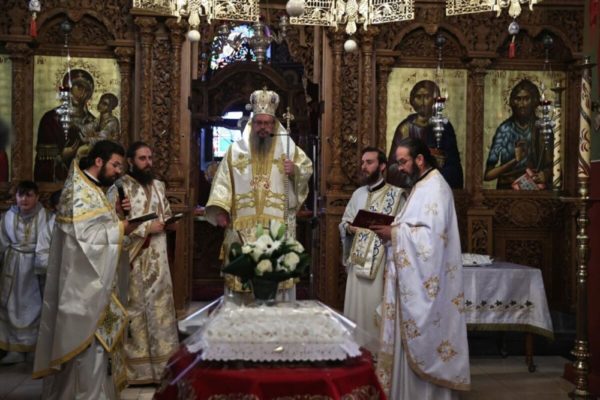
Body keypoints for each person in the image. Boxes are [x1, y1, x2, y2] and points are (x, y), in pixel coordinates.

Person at [33, 140, 140, 399]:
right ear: (98, 161)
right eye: (115, 165)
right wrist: (121, 228)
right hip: (82, 291)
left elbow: (98, 231)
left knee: (99, 351)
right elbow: (86, 241)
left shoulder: (94, 190)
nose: (118, 172)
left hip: (98, 286)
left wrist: (118, 216)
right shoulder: (80, 194)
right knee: (86, 352)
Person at [371, 137, 470, 399]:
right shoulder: (422, 185)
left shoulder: (435, 187)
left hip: (427, 283)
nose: (400, 168)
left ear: (420, 159)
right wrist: (395, 230)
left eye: (403, 162)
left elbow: (431, 240)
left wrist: (394, 234)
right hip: (412, 279)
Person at [206, 88, 313, 300]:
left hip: (277, 229)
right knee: (243, 287)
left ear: (274, 124)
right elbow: (223, 182)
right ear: (252, 123)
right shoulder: (236, 150)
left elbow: (306, 170)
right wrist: (220, 210)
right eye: (259, 123)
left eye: (267, 123)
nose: (263, 127)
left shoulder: (288, 149)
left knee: (276, 285)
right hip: (242, 229)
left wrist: (295, 171)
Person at [107, 141, 179, 385]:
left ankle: (163, 368)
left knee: (161, 308)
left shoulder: (158, 185)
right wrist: (147, 228)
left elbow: (165, 212)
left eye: (150, 157)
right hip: (135, 258)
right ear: (131, 161)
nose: (148, 163)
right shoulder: (120, 187)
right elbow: (114, 223)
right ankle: (137, 371)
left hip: (159, 257)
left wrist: (169, 222)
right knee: (135, 308)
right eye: (142, 158)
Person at [339, 147, 406, 351]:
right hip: (357, 261)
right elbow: (344, 221)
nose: (364, 166)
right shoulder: (358, 194)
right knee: (356, 307)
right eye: (363, 162)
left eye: (369, 162)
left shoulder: (397, 196)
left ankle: (376, 351)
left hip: (381, 264)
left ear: (382, 166)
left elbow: (402, 229)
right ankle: (355, 349)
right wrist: (349, 228)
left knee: (373, 306)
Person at [0, 181, 52, 364]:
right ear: (15, 197)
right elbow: (2, 242)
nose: (24, 199)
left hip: (36, 267)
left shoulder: (46, 217)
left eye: (29, 195)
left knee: (35, 306)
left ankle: (33, 348)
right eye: (20, 195)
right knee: (12, 305)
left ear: (37, 197)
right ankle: (13, 349)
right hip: (13, 266)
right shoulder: (7, 217)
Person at [388, 80, 463, 189]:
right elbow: (392, 165)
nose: (422, 102)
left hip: (436, 184)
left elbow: (453, 164)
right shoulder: (404, 128)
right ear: (412, 100)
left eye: (427, 97)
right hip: (409, 185)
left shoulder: (444, 126)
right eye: (418, 97)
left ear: (435, 100)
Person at [484, 79, 552, 189]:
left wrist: (546, 175)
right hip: (507, 189)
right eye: (518, 99)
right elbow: (488, 175)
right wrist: (515, 161)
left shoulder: (542, 128)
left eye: (526, 99)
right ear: (512, 102)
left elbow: (554, 166)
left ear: (534, 101)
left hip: (535, 189)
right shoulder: (504, 129)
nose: (521, 104)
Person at [34, 69, 96, 181]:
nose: (83, 93)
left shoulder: (93, 121)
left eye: (87, 90)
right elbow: (43, 158)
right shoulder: (51, 119)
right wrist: (62, 155)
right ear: (68, 88)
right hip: (56, 181)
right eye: (79, 87)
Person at [79, 93, 121, 158]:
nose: (100, 105)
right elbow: (88, 128)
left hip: (110, 152)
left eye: (105, 104)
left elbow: (102, 138)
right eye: (100, 102)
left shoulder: (112, 121)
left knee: (81, 152)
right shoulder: (99, 119)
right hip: (100, 148)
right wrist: (78, 128)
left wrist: (88, 139)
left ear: (111, 107)